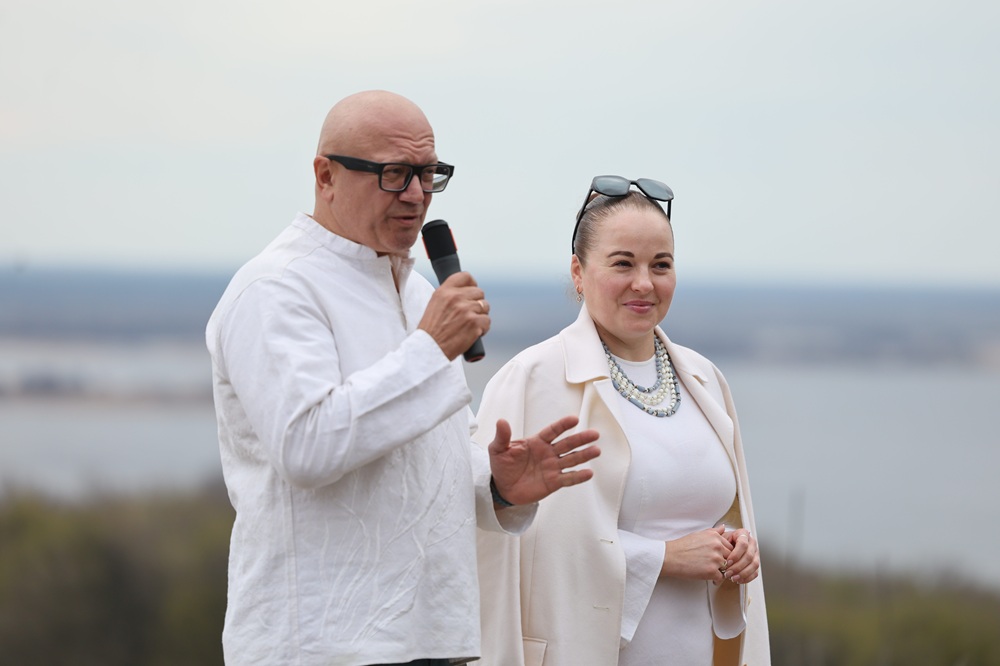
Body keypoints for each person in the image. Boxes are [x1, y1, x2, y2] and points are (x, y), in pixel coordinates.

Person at [204, 90, 601, 666]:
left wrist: (497, 485)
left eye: (428, 174)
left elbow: (419, 467)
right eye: (394, 174)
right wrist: (430, 348)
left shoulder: (417, 291)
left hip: (433, 637)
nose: (416, 194)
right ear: (325, 175)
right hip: (319, 645)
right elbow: (306, 447)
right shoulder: (275, 288)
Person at [474, 176, 770, 665]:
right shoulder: (532, 379)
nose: (644, 283)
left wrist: (738, 547)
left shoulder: (704, 378)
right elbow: (498, 540)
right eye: (623, 264)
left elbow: (719, 513)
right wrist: (662, 558)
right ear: (578, 272)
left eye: (661, 265)